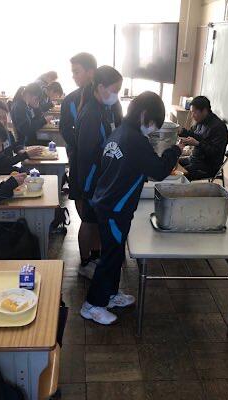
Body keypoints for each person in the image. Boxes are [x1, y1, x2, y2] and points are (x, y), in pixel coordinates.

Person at [80, 92, 184, 325]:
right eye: (154, 123)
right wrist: (175, 150)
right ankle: (92, 305)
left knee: (115, 253)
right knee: (110, 256)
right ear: (144, 115)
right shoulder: (136, 140)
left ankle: (110, 294)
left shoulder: (119, 132)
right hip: (115, 209)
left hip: (107, 202)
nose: (154, 129)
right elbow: (159, 171)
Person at [76, 65, 123, 278]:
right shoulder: (91, 113)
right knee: (88, 220)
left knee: (95, 220)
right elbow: (87, 152)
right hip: (90, 177)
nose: (116, 95)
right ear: (101, 87)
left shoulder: (102, 108)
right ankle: (85, 262)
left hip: (99, 175)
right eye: (115, 90)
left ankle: (94, 257)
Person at [60, 52, 97, 206]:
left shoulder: (105, 97)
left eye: (76, 72)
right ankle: (84, 219)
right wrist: (80, 145)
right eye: (73, 72)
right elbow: (65, 128)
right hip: (78, 156)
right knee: (79, 193)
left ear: (90, 72)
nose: (73, 76)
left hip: (102, 158)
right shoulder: (70, 100)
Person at [0, 100, 42, 184]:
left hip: (8, 170)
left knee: (34, 174)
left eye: (4, 117)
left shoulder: (7, 132)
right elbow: (3, 162)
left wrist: (20, 150)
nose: (2, 121)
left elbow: (15, 145)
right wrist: (26, 154)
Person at [179, 96, 228, 181]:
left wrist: (197, 144)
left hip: (208, 166)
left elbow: (215, 152)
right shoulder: (200, 121)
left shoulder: (219, 127)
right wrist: (181, 132)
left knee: (179, 174)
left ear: (204, 111)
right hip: (195, 159)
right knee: (172, 162)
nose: (192, 116)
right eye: (191, 112)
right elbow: (193, 134)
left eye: (194, 112)